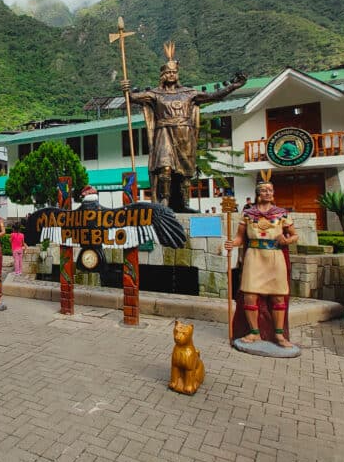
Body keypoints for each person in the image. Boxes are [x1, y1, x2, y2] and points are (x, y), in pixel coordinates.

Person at [122, 43, 245, 211]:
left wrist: (232, 87)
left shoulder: (189, 93)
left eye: (174, 72)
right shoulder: (155, 94)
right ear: (163, 75)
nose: (172, 75)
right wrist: (127, 90)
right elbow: (133, 98)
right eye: (168, 72)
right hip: (164, 132)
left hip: (184, 134)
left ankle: (185, 203)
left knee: (185, 172)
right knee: (164, 167)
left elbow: (213, 96)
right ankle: (164, 201)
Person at [224, 182, 298, 348]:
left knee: (278, 295)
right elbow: (240, 237)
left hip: (275, 255)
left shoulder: (282, 213)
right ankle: (254, 332)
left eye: (271, 190)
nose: (268, 193)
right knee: (250, 295)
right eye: (265, 190)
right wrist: (232, 243)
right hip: (254, 255)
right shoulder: (248, 214)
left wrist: (287, 240)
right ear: (258, 193)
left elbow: (294, 235)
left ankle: (279, 334)